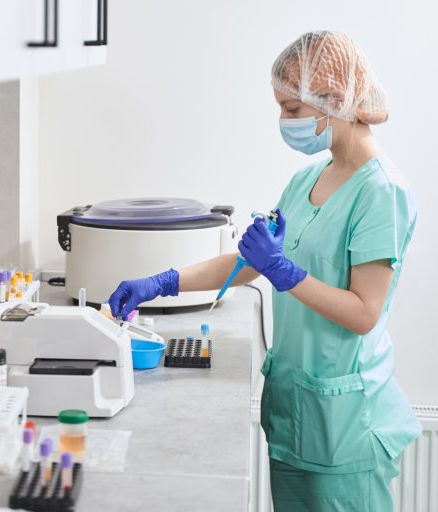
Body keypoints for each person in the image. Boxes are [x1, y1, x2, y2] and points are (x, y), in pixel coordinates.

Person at [108, 31, 421, 511]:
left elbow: (364, 313)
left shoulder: (381, 192)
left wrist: (285, 271)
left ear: (334, 98)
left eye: (292, 110)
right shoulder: (307, 179)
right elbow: (250, 263)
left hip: (346, 422)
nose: (284, 122)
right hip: (296, 409)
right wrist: (161, 283)